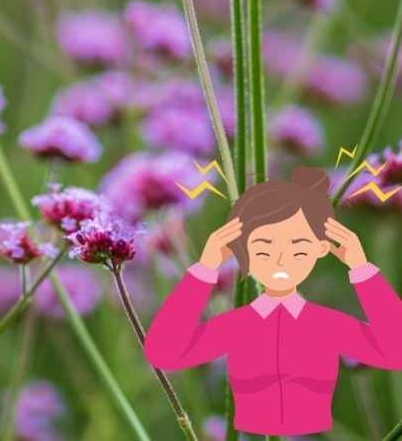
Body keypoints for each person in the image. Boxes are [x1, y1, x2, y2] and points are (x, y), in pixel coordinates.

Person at [144, 166, 402, 436]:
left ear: (321, 248)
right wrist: (204, 270)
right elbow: (164, 352)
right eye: (264, 248)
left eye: (298, 248)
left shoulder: (324, 325)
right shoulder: (239, 326)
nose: (280, 260)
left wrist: (361, 269)